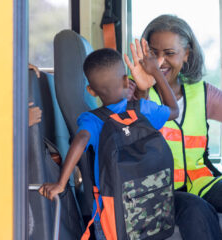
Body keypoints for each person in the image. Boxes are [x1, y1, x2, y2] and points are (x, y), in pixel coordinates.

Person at [125, 14, 222, 240]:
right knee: (197, 210)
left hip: (202, 183)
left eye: (169, 54)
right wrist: (141, 91)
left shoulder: (202, 92)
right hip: (156, 191)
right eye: (153, 54)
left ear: (187, 55)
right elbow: (125, 125)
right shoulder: (132, 89)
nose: (159, 62)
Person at [39, 46, 179, 239]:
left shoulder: (92, 120)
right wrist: (155, 71)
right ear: (125, 80)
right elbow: (174, 110)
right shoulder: (144, 109)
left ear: (91, 91)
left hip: (110, 214)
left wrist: (61, 183)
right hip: (152, 208)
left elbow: (80, 140)